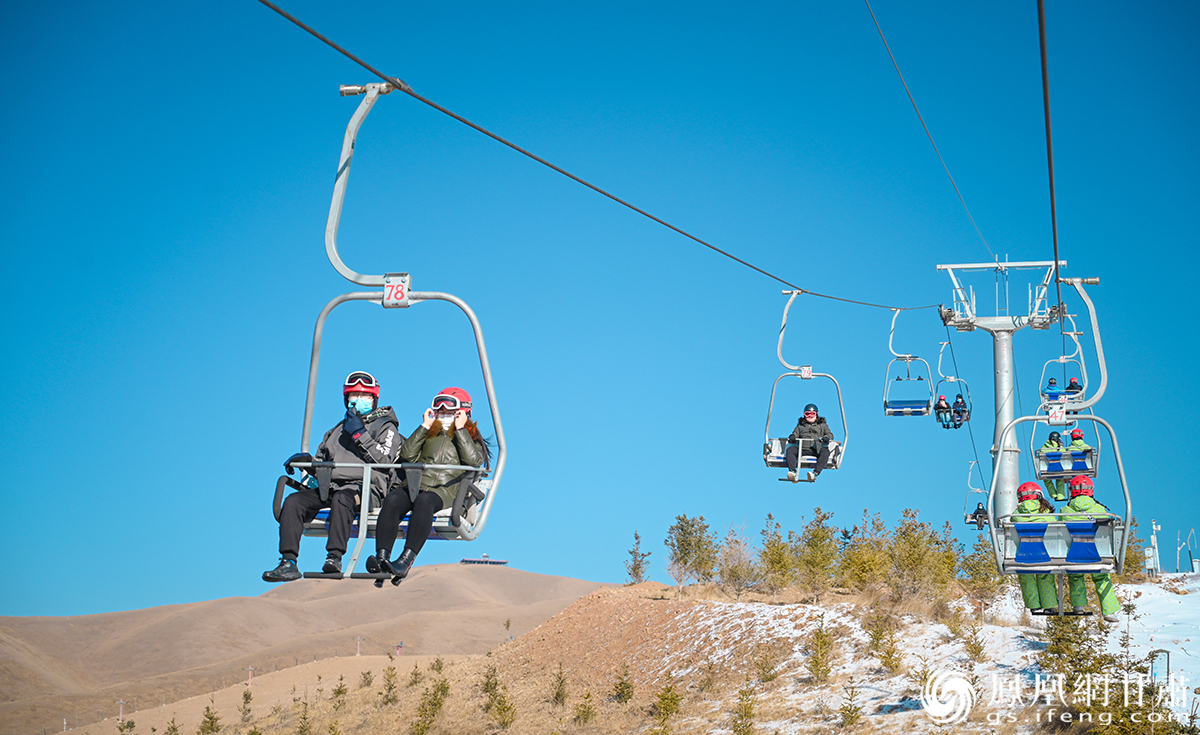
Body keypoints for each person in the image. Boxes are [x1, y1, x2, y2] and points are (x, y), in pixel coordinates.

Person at [264, 371, 402, 582]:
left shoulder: (385, 426)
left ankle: (334, 557)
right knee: (293, 501)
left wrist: (359, 435)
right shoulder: (336, 431)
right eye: (353, 396)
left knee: (343, 498)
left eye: (364, 396)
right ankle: (288, 562)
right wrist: (308, 462)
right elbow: (323, 463)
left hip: (364, 489)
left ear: (374, 400)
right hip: (330, 486)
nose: (358, 401)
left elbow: (384, 461)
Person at [367, 387, 489, 584]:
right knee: (394, 499)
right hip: (416, 484)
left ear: (462, 413)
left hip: (445, 489)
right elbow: (407, 455)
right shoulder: (429, 434)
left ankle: (405, 561)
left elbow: (473, 460)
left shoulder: (471, 438)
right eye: (441, 412)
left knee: (425, 502)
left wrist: (460, 430)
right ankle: (382, 558)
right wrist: (425, 426)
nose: (444, 415)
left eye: (450, 412)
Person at [1060, 475, 1120, 622]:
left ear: (1072, 491)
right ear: (1091, 491)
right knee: (1102, 577)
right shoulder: (1100, 510)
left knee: (1075, 575)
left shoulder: (1064, 511)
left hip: (1074, 555)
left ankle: (1078, 606)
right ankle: (1109, 611)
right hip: (1096, 555)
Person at [1013, 482, 1058, 614]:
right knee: (1045, 575)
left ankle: (1033, 605)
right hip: (1044, 552)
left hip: (1023, 554)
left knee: (1026, 574)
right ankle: (1049, 605)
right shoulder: (1046, 512)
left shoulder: (1016, 515)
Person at [785, 403, 835, 483]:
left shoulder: (822, 425)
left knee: (825, 452)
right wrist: (792, 437)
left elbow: (830, 434)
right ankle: (792, 472)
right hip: (803, 448)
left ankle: (815, 473)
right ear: (804, 414)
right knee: (790, 450)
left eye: (812, 414)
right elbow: (795, 434)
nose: (810, 416)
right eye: (807, 414)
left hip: (816, 449)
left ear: (816, 414)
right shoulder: (801, 426)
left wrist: (827, 438)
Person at [1039, 431, 1068, 501]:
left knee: (1047, 481)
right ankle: (1060, 496)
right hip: (1059, 468)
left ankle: (1053, 494)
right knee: (1060, 480)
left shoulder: (1044, 447)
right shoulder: (1061, 448)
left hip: (1047, 469)